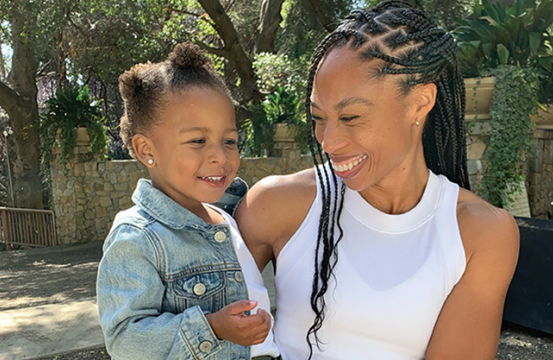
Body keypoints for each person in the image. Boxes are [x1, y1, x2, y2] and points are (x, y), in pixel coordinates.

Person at [235, 2, 519, 359]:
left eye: (351, 116)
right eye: (319, 117)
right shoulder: (276, 205)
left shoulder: (480, 233)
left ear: (420, 101)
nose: (328, 141)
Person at [96, 42, 279, 360]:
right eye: (198, 141)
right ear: (146, 149)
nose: (219, 156)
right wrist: (213, 328)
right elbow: (126, 341)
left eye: (229, 141)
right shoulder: (137, 238)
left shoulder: (229, 216)